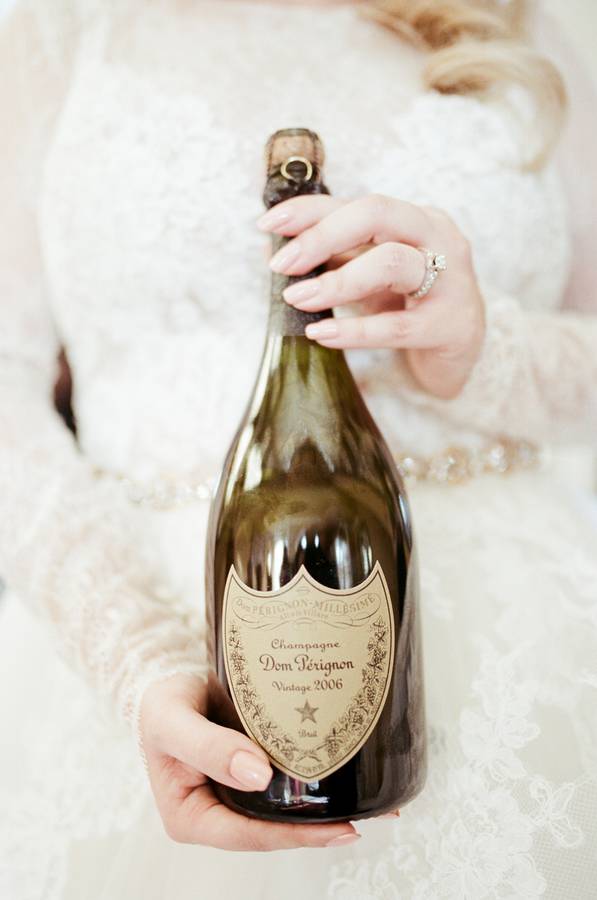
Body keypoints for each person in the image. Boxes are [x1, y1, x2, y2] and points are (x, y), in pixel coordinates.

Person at [1, 0, 596, 896]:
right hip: (164, 622)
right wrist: (136, 654)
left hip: (526, 657)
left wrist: (484, 350)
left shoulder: (520, 20)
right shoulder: (59, 28)